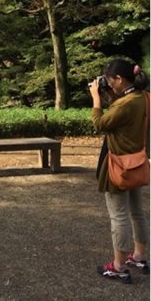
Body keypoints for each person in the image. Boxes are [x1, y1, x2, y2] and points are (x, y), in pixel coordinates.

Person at [89, 59, 150, 282]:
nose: (107, 84)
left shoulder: (125, 104)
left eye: (109, 80)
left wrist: (96, 99)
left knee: (119, 216)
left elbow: (100, 123)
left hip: (118, 166)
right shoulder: (143, 98)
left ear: (119, 79)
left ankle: (119, 266)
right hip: (137, 162)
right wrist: (109, 97)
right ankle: (140, 256)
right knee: (137, 212)